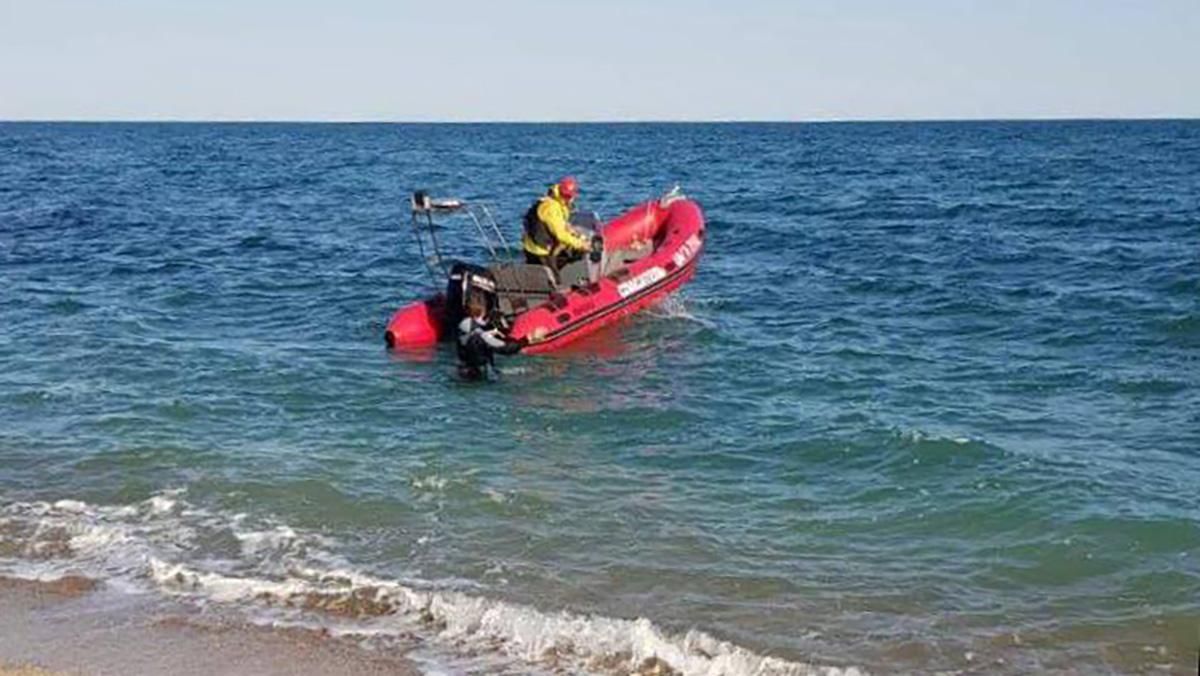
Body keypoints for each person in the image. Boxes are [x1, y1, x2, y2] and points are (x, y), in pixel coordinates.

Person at [522, 176, 596, 275]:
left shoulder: (557, 201)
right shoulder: (551, 208)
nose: (570, 200)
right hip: (539, 250)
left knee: (568, 253)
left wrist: (571, 231)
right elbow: (560, 235)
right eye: (567, 197)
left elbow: (558, 223)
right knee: (552, 278)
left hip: (538, 244)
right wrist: (582, 245)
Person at [457, 291, 526, 380]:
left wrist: (490, 333)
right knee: (523, 372)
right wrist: (525, 341)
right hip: (480, 375)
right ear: (484, 310)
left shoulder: (462, 325)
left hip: (463, 370)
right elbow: (505, 349)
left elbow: (473, 334)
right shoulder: (482, 333)